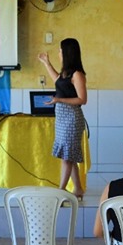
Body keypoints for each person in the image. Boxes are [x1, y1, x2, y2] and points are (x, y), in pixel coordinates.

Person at [39, 37, 87, 200]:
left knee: (67, 157)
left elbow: (82, 99)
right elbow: (57, 80)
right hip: (62, 119)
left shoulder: (77, 74)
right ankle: (78, 189)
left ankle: (61, 191)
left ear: (67, 53)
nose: (59, 53)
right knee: (69, 155)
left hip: (72, 119)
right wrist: (47, 63)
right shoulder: (66, 73)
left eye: (60, 50)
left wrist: (59, 100)